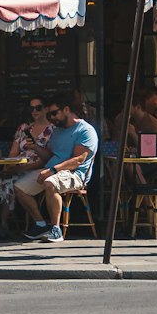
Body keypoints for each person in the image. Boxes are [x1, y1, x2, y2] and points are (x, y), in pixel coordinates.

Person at [14, 99, 99, 243]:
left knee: (50, 183)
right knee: (19, 187)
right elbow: (51, 156)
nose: (52, 118)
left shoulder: (85, 130)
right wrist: (35, 147)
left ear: (66, 109)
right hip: (52, 169)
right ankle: (40, 224)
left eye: (54, 113)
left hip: (75, 174)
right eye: (50, 115)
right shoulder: (58, 131)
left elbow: (78, 160)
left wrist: (52, 170)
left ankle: (56, 229)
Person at [0, 98, 52, 216]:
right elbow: (13, 152)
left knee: (8, 184)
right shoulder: (24, 128)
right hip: (17, 167)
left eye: (38, 108)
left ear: (46, 108)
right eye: (31, 108)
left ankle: (2, 223)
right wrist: (9, 166)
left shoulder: (53, 130)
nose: (34, 111)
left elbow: (48, 158)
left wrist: (23, 168)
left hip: (36, 169)